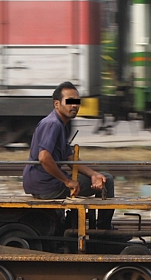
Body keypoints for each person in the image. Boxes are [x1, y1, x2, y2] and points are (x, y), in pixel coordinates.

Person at [23, 81, 115, 230]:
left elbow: (70, 158)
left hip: (42, 183)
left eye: (77, 102)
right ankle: (104, 230)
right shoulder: (53, 124)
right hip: (47, 185)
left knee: (101, 177)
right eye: (69, 101)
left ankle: (94, 227)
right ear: (57, 104)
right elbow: (44, 157)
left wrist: (93, 174)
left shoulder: (59, 124)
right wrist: (67, 181)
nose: (74, 106)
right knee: (108, 180)